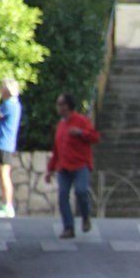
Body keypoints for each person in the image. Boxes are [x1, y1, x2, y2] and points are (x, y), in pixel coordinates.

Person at [44, 93, 101, 239]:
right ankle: (68, 227)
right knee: (63, 195)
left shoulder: (81, 121)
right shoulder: (61, 125)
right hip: (63, 167)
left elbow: (95, 137)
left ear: (67, 106)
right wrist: (50, 169)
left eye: (60, 104)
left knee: (81, 191)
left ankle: (85, 216)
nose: (58, 107)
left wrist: (81, 132)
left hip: (80, 165)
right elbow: (56, 149)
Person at [0, 78, 22, 218]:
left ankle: (8, 205)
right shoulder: (12, 104)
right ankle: (6, 204)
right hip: (3, 142)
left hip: (3, 142)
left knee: (4, 174)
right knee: (2, 174)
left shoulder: (9, 104)